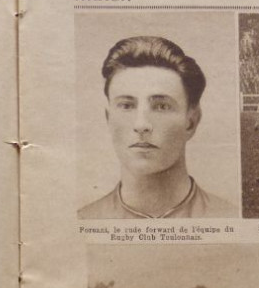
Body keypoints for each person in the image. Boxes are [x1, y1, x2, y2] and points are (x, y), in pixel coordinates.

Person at [79, 35, 233, 220]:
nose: (141, 125)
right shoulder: (84, 220)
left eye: (161, 106)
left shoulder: (228, 217)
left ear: (191, 122)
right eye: (127, 106)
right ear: (108, 118)